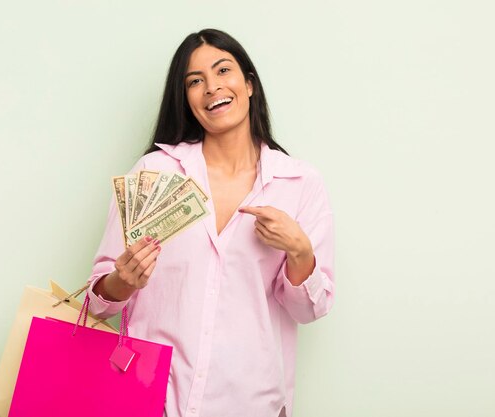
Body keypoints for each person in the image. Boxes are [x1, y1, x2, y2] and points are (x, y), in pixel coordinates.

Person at [86, 29, 334, 417]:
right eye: (195, 81)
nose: (211, 87)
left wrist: (300, 251)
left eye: (223, 71)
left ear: (249, 84)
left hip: (252, 403)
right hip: (153, 398)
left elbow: (309, 311)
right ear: (185, 99)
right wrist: (122, 281)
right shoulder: (156, 173)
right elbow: (96, 305)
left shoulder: (299, 184)